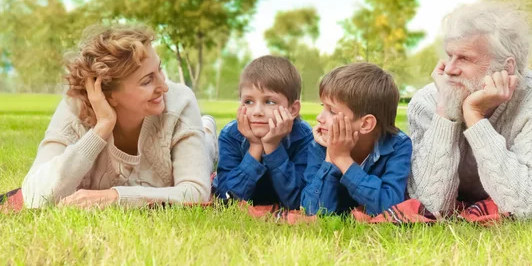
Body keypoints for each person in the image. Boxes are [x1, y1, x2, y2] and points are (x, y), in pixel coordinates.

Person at [22, 25, 217, 208]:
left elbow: (195, 192)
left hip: (192, 136)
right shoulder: (74, 110)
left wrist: (115, 197)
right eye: (147, 81)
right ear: (109, 94)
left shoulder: (179, 102)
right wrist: (101, 129)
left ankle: (206, 131)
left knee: (205, 154)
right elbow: (34, 196)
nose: (164, 86)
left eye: (159, 68)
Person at [407, 0, 532, 219]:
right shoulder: (426, 101)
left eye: (464, 58)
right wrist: (446, 110)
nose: (449, 69)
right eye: (449, 55)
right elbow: (430, 207)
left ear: (506, 68)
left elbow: (527, 206)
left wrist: (474, 116)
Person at [301, 63, 412, 216]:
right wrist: (330, 159)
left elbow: (389, 206)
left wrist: (342, 159)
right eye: (322, 107)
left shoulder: (399, 146)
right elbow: (313, 210)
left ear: (366, 124)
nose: (319, 118)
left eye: (332, 111)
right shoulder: (320, 144)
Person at [213, 55, 312, 209]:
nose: (257, 112)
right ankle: (207, 130)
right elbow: (227, 199)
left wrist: (272, 148)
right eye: (248, 102)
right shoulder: (231, 135)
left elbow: (299, 202)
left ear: (292, 110)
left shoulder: (304, 138)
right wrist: (255, 147)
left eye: (269, 102)